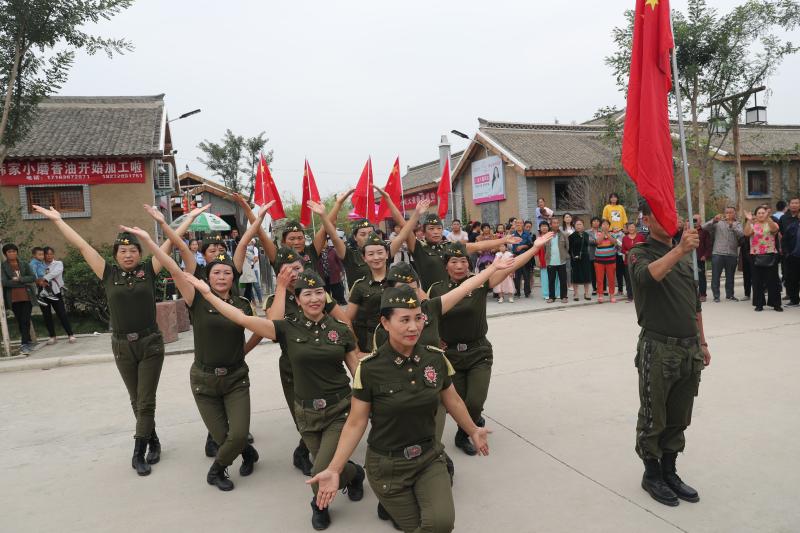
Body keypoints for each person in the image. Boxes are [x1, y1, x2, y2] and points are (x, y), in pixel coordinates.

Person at [186, 268, 365, 530]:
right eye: (307, 294)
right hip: (306, 414)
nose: (314, 299)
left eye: (319, 293)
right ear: (298, 299)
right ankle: (355, 474)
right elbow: (241, 318)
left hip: (339, 409)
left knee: (319, 471)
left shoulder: (340, 330)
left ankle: (319, 506)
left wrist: (369, 403)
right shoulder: (286, 328)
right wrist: (207, 295)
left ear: (325, 296)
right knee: (329, 465)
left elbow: (356, 372)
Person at [308, 285, 492, 533]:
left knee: (441, 523)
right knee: (418, 527)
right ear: (385, 322)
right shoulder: (370, 368)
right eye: (404, 320)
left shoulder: (435, 358)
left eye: (418, 318)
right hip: (389, 466)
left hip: (429, 458)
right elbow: (356, 423)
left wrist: (472, 430)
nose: (414, 327)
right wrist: (334, 468)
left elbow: (454, 401)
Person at [31, 204, 179, 476]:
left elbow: (170, 242)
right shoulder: (108, 273)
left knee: (146, 400)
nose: (128, 255)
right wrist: (58, 220)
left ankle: (138, 452)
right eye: (122, 251)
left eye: (133, 251)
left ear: (140, 253)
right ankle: (153, 440)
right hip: (122, 345)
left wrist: (176, 221)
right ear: (115, 255)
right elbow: (82, 246)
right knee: (136, 399)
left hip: (150, 343)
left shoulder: (149, 269)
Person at [123, 219, 263, 491]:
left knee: (237, 434)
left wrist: (243, 350)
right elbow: (174, 268)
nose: (221, 277)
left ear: (233, 277)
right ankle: (247, 454)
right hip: (204, 382)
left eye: (227, 273)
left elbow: (261, 330)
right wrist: (150, 240)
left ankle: (216, 471)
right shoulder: (196, 298)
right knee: (224, 438)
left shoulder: (243, 304)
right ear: (207, 277)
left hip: (236, 378)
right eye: (216, 273)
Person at [429, 235, 553, 457]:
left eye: (463, 261)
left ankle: (464, 434)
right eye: (453, 262)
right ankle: (472, 424)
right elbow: (429, 318)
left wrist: (534, 248)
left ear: (469, 264)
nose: (459, 266)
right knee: (457, 403)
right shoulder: (436, 289)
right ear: (445, 265)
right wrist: (435, 338)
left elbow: (512, 265)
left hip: (479, 352)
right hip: (450, 355)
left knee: (475, 402)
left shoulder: (480, 282)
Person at [628, 200, 710, 507]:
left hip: (689, 349)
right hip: (659, 348)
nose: (670, 219)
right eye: (661, 214)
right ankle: (651, 475)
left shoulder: (685, 257)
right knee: (654, 417)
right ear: (647, 219)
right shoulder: (639, 252)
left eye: (672, 214)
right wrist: (680, 250)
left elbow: (695, 305)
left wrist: (703, 343)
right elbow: (646, 278)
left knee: (679, 416)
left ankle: (669, 470)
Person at [393, 200, 519, 292]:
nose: (436, 232)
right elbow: (403, 224)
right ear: (424, 232)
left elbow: (478, 245)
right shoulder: (419, 247)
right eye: (431, 228)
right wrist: (415, 213)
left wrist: (503, 240)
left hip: (455, 295)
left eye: (439, 228)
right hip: (431, 299)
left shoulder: (449, 246)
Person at [345, 232, 389, 353]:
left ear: (387, 254)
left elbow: (423, 304)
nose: (376, 257)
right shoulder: (360, 286)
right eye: (370, 254)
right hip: (370, 343)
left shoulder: (398, 280)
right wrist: (356, 349)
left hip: (399, 338)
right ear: (364, 258)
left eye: (380, 252)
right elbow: (347, 320)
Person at [744, 206, 782, 312]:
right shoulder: (752, 224)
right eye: (759, 213)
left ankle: (776, 304)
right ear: (756, 215)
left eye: (763, 213)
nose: (761, 215)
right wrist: (749, 220)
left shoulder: (772, 223)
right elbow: (746, 233)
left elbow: (774, 230)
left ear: (766, 213)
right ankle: (759, 304)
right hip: (755, 255)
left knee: (773, 281)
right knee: (757, 281)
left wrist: (768, 218)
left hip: (770, 254)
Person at [703, 207, 744, 302]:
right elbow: (704, 227)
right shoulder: (718, 223)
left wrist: (732, 226)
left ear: (734, 214)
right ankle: (716, 296)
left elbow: (741, 234)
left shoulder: (738, 224)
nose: (729, 214)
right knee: (715, 276)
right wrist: (713, 220)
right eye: (727, 212)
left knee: (730, 277)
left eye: (731, 212)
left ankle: (730, 295)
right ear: (724, 213)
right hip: (718, 253)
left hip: (732, 254)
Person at [2, 243, 36, 354]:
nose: (12, 253)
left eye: (14, 251)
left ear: (17, 252)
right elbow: (4, 282)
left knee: (25, 319)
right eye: (9, 252)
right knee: (20, 320)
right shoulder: (3, 266)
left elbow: (32, 277)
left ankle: (24, 343)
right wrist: (22, 282)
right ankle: (28, 341)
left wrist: (20, 279)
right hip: (13, 298)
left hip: (27, 296)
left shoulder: (24, 264)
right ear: (5, 254)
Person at [38, 246, 76, 344]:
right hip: (43, 293)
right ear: (44, 255)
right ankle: (52, 336)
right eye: (47, 254)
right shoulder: (40, 265)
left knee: (62, 314)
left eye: (51, 254)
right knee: (46, 315)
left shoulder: (58, 263)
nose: (49, 256)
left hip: (55, 292)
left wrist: (44, 278)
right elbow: (35, 274)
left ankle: (70, 335)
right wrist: (39, 280)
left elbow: (55, 273)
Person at [779, 197, 800, 306]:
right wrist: (785, 250)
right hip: (790, 253)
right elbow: (781, 234)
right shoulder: (784, 218)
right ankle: (794, 299)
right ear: (789, 205)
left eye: (797, 203)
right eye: (792, 203)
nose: (794, 205)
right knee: (791, 278)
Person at [594, 219, 618, 303]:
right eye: (603, 224)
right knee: (599, 279)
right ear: (601, 226)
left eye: (607, 224)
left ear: (609, 226)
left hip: (611, 260)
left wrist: (608, 234)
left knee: (611, 279)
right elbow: (598, 242)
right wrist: (603, 233)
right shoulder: (597, 233)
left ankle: (612, 295)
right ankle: (600, 295)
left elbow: (614, 242)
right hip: (599, 260)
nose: (605, 225)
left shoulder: (613, 234)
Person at [621, 222, 646, 302]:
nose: (631, 228)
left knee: (639, 278)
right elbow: (622, 249)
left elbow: (645, 247)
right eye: (629, 227)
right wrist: (627, 252)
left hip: (639, 261)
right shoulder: (624, 238)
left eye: (632, 227)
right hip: (628, 262)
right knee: (629, 280)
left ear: (635, 228)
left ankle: (640, 296)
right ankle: (630, 297)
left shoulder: (641, 236)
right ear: (627, 229)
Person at [545, 219, 569, 303]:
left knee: (563, 280)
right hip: (550, 262)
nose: (556, 224)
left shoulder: (563, 234)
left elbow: (567, 246)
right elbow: (544, 248)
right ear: (551, 225)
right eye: (554, 223)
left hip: (561, 261)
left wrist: (565, 255)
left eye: (557, 223)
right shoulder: (547, 235)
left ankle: (564, 297)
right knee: (551, 280)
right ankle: (551, 297)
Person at [568, 219, 592, 301]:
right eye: (577, 224)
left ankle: (587, 292)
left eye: (580, 224)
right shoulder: (571, 236)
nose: (578, 226)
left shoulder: (586, 235)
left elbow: (587, 245)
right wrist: (573, 256)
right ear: (574, 226)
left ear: (583, 225)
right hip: (575, 258)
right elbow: (569, 249)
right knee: (575, 275)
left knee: (586, 274)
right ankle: (576, 293)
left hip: (585, 257)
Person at [510, 219, 533, 298]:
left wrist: (523, 246)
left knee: (526, 275)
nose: (519, 224)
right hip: (516, 256)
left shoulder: (527, 234)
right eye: (517, 223)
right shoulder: (513, 234)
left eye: (520, 223)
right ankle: (517, 292)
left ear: (523, 224)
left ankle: (527, 292)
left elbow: (530, 244)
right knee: (517, 276)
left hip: (525, 256)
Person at [319, 240, 347, 306]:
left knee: (337, 288)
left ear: (327, 242)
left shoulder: (332, 251)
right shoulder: (317, 252)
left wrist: (341, 271)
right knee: (326, 290)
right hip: (323, 275)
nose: (323, 243)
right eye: (322, 242)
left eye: (325, 242)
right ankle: (329, 304)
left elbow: (339, 261)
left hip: (334, 273)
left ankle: (340, 301)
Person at [694, 216, 712, 303]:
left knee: (701, 277)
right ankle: (693, 295)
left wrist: (705, 255)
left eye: (696, 220)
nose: (694, 221)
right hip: (689, 259)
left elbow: (708, 245)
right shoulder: (688, 231)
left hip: (699, 258)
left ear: (700, 221)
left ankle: (702, 295)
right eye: (693, 219)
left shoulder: (704, 232)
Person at [588, 217, 601, 294]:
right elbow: (589, 241)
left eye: (597, 221)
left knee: (602, 272)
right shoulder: (588, 232)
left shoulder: (602, 231)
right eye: (594, 221)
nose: (596, 222)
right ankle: (594, 288)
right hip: (592, 254)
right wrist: (599, 240)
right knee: (593, 272)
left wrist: (596, 241)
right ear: (591, 222)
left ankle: (603, 288)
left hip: (602, 254)